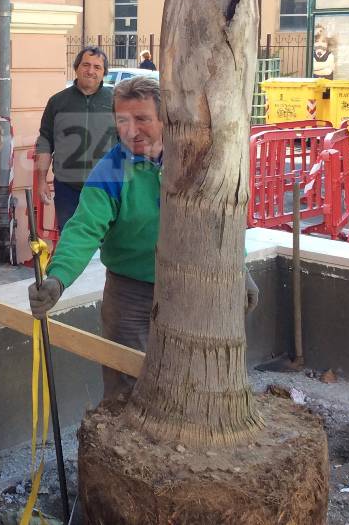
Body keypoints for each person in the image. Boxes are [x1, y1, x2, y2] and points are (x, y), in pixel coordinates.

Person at [27, 77, 259, 399]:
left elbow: (219, 220)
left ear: (164, 119)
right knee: (126, 387)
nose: (130, 129)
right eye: (122, 120)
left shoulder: (194, 162)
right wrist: (58, 278)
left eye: (142, 119)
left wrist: (239, 270)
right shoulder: (110, 172)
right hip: (130, 294)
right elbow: (83, 228)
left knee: (187, 382)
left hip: (188, 285)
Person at [34, 47, 116, 231]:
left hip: (106, 188)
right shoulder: (57, 102)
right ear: (76, 68)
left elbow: (129, 144)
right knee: (70, 241)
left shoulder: (116, 101)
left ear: (104, 73)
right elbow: (45, 142)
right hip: (67, 188)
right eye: (86, 65)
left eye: (97, 67)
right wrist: (41, 182)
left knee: (109, 244)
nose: (91, 71)